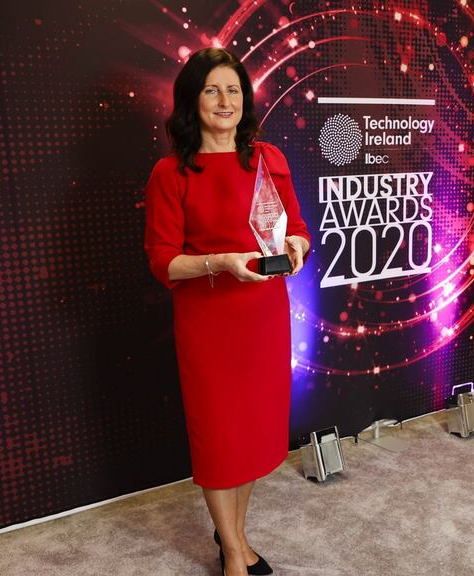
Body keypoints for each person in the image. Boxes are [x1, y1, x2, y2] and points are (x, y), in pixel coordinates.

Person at [144, 47, 310, 576]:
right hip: (209, 324)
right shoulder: (171, 173)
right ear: (193, 100)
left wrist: (300, 246)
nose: (225, 100)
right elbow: (163, 262)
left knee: (254, 434)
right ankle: (235, 553)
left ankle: (232, 533)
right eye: (212, 89)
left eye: (234, 89)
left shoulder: (269, 159)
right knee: (219, 439)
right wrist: (220, 262)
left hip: (263, 318)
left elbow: (297, 226)